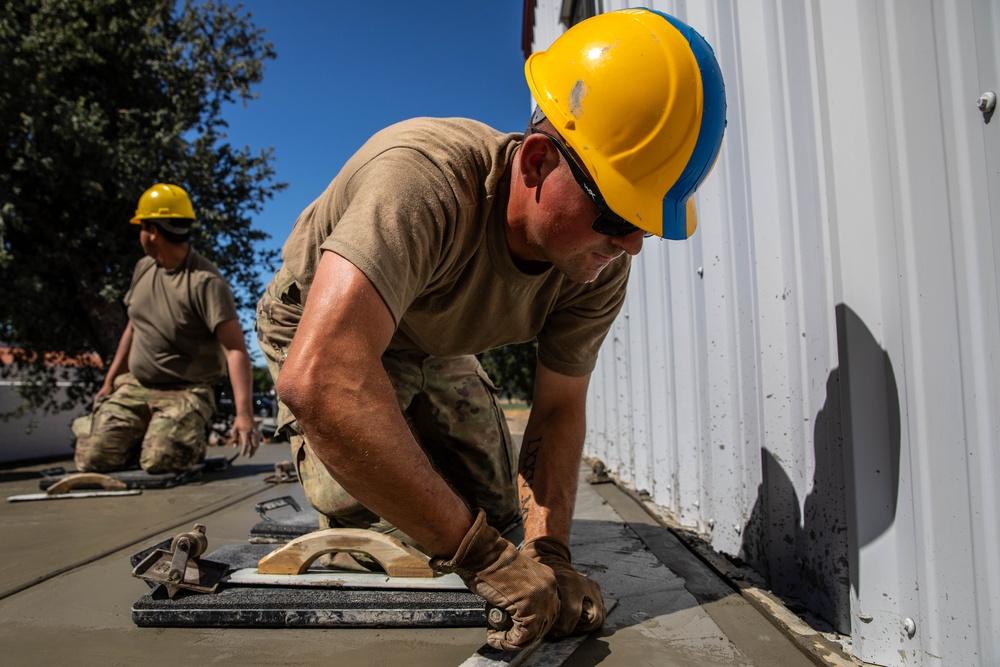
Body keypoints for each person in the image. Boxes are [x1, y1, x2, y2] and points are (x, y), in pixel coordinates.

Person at [256, 8, 725, 651]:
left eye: (644, 223)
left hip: (434, 337)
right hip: (324, 329)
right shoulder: (421, 179)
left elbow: (559, 410)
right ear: (535, 163)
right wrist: (487, 561)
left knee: (499, 512)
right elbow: (323, 379)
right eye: (618, 213)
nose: (632, 245)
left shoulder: (595, 262)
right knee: (407, 543)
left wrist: (550, 555)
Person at [73, 183, 259, 474]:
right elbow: (133, 328)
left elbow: (235, 350)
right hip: (137, 386)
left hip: (188, 390)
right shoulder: (143, 269)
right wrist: (109, 382)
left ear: (152, 231)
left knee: (161, 461)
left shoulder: (205, 281)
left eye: (141, 226)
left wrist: (244, 415)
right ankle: (148, 437)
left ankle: (183, 441)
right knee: (91, 459)